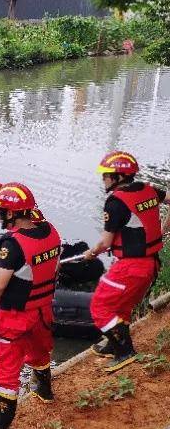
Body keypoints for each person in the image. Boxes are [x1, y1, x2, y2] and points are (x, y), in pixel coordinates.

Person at [0, 182, 62, 429]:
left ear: (11, 213)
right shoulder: (51, 231)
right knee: (40, 351)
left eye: (1, 211)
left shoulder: (12, 244)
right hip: (43, 309)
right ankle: (44, 389)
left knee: (7, 367)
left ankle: (1, 421)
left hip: (15, 316)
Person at [84, 151, 169, 372]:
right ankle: (114, 345)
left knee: (99, 308)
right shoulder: (149, 189)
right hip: (151, 264)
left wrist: (91, 253)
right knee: (121, 307)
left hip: (132, 266)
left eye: (106, 175)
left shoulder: (115, 202)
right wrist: (162, 230)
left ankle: (124, 351)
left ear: (118, 176)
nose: (103, 179)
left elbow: (105, 243)